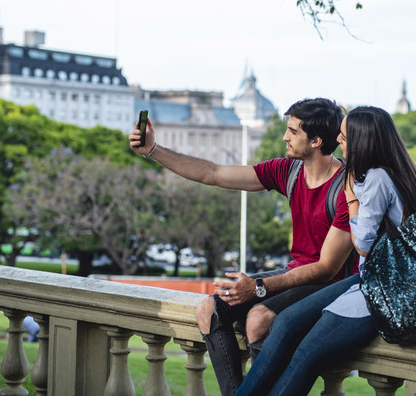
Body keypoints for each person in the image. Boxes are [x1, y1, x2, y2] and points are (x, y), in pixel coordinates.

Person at [129, 97, 356, 396]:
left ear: (315, 141)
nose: (284, 136)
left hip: (329, 284)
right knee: (208, 310)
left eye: (293, 131)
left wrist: (259, 287)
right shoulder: (287, 171)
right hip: (296, 272)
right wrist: (154, 151)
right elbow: (213, 173)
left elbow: (327, 269)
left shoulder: (346, 187)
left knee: (259, 319)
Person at [235, 106, 416, 396]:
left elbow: (364, 244)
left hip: (381, 289)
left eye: (343, 138)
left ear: (361, 141)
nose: (339, 143)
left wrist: (351, 196)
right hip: (369, 281)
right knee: (288, 323)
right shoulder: (403, 174)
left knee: (306, 356)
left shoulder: (377, 178)